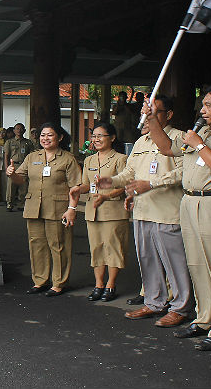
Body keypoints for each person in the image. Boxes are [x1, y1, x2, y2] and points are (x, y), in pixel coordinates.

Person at [144, 82, 211, 351]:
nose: (202, 110)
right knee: (197, 264)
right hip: (191, 201)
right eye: (202, 105)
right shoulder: (203, 131)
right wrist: (151, 118)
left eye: (209, 105)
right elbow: (167, 147)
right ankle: (205, 318)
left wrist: (200, 145)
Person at [98, 95, 193, 327]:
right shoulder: (141, 143)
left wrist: (151, 184)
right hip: (142, 211)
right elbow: (130, 174)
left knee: (175, 263)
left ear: (168, 115)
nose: (147, 118)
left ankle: (181, 307)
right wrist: (112, 182)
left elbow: (185, 172)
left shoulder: (179, 138)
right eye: (145, 114)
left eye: (154, 113)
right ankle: (154, 302)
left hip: (167, 212)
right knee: (147, 260)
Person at [6, 122, 81, 297]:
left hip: (57, 208)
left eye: (50, 135)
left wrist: (72, 209)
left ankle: (59, 282)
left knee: (58, 245)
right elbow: (20, 180)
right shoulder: (32, 157)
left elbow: (76, 187)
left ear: (60, 137)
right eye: (42, 135)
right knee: (37, 244)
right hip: (34, 207)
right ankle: (40, 281)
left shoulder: (67, 159)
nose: (45, 138)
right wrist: (12, 174)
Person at [70, 122, 129, 302]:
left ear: (112, 138)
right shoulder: (89, 160)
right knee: (96, 249)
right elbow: (88, 184)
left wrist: (107, 196)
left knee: (113, 248)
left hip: (113, 210)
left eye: (100, 136)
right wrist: (79, 189)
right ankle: (98, 284)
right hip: (93, 210)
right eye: (94, 136)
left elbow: (125, 185)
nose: (96, 139)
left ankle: (110, 285)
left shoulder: (120, 159)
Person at [4, 123, 35, 211]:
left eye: (21, 129)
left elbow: (32, 155)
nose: (19, 130)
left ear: (24, 130)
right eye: (17, 129)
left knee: (23, 185)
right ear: (14, 131)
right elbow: (6, 156)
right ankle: (9, 204)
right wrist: (7, 168)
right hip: (13, 165)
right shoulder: (9, 142)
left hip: (24, 166)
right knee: (11, 186)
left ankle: (22, 204)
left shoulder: (28, 142)